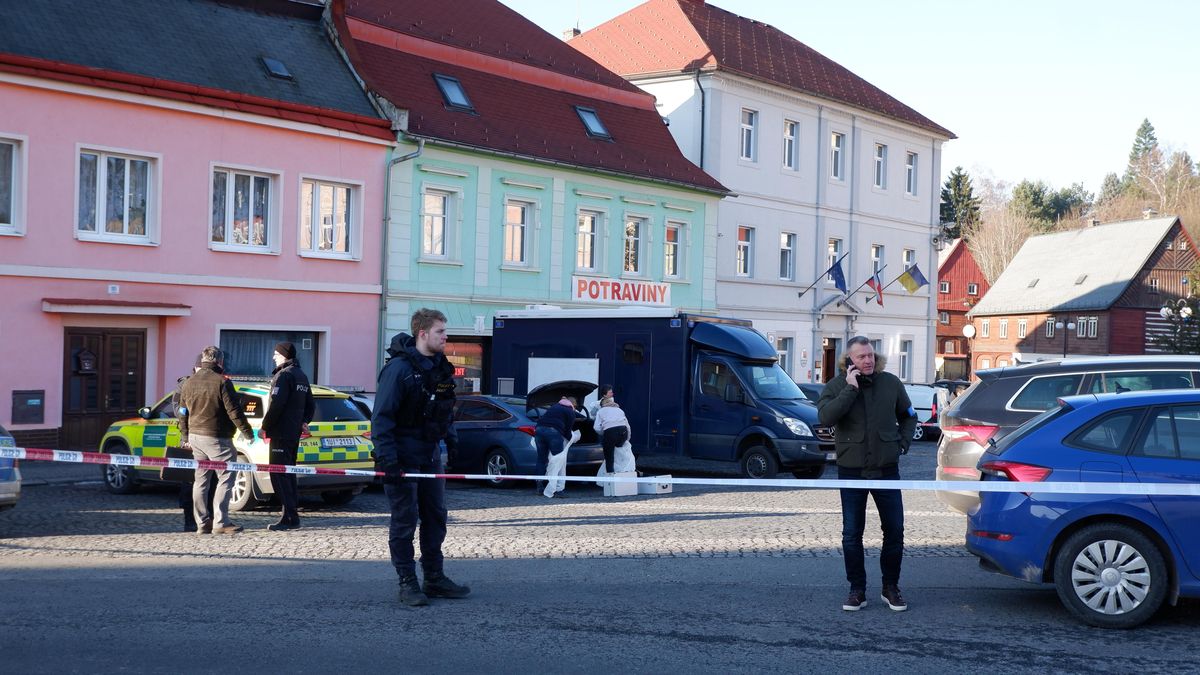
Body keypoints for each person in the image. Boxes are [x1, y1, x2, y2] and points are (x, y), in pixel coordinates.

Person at [372, 308, 471, 607]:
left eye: (445, 331)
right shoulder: (398, 370)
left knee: (436, 517)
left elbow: (444, 411)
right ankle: (407, 582)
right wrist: (387, 459)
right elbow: (382, 418)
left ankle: (434, 577)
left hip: (430, 455)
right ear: (423, 333)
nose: (446, 336)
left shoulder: (440, 368)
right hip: (402, 458)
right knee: (404, 521)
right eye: (441, 331)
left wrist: (451, 443)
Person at [816, 336, 917, 613]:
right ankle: (857, 590)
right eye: (861, 357)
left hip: (886, 470)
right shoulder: (836, 386)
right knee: (851, 534)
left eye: (871, 355)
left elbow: (909, 415)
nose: (868, 360)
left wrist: (903, 443)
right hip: (852, 471)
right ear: (849, 361)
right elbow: (825, 417)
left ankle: (890, 587)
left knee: (895, 530)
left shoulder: (891, 383)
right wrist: (850, 389)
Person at [178, 346, 255, 535]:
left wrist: (185, 435)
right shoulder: (222, 382)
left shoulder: (188, 382)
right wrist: (247, 433)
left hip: (195, 437)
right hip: (217, 437)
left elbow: (182, 413)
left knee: (201, 480)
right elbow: (234, 411)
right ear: (219, 362)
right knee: (226, 476)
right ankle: (221, 522)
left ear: (204, 360)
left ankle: (202, 522)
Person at [260, 342, 315, 532]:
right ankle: (292, 515)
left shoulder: (284, 376)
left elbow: (276, 405)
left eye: (276, 354)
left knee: (278, 475)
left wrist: (264, 427)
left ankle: (289, 517)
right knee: (289, 474)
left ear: (284, 356)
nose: (274, 357)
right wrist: (305, 421)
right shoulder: (301, 375)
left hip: (281, 433)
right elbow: (311, 405)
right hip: (293, 434)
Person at [172, 353, 215, 532]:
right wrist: (186, 436)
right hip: (190, 439)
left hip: (208, 438)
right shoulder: (185, 384)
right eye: (200, 368)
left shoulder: (214, 382)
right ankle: (190, 519)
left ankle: (209, 518)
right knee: (190, 482)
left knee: (210, 481)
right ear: (195, 368)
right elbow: (178, 410)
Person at [534, 395, 580, 495]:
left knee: (541, 459)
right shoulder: (570, 412)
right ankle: (556, 489)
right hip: (553, 433)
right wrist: (573, 439)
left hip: (538, 430)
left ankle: (539, 486)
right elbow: (567, 432)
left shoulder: (554, 407)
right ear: (574, 405)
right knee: (557, 461)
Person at [593, 396, 630, 475]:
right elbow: (627, 426)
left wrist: (604, 433)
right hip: (623, 432)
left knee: (609, 456)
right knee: (619, 453)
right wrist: (627, 438)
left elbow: (596, 427)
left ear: (602, 405)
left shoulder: (601, 411)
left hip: (610, 433)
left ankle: (610, 476)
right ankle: (623, 472)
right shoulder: (620, 410)